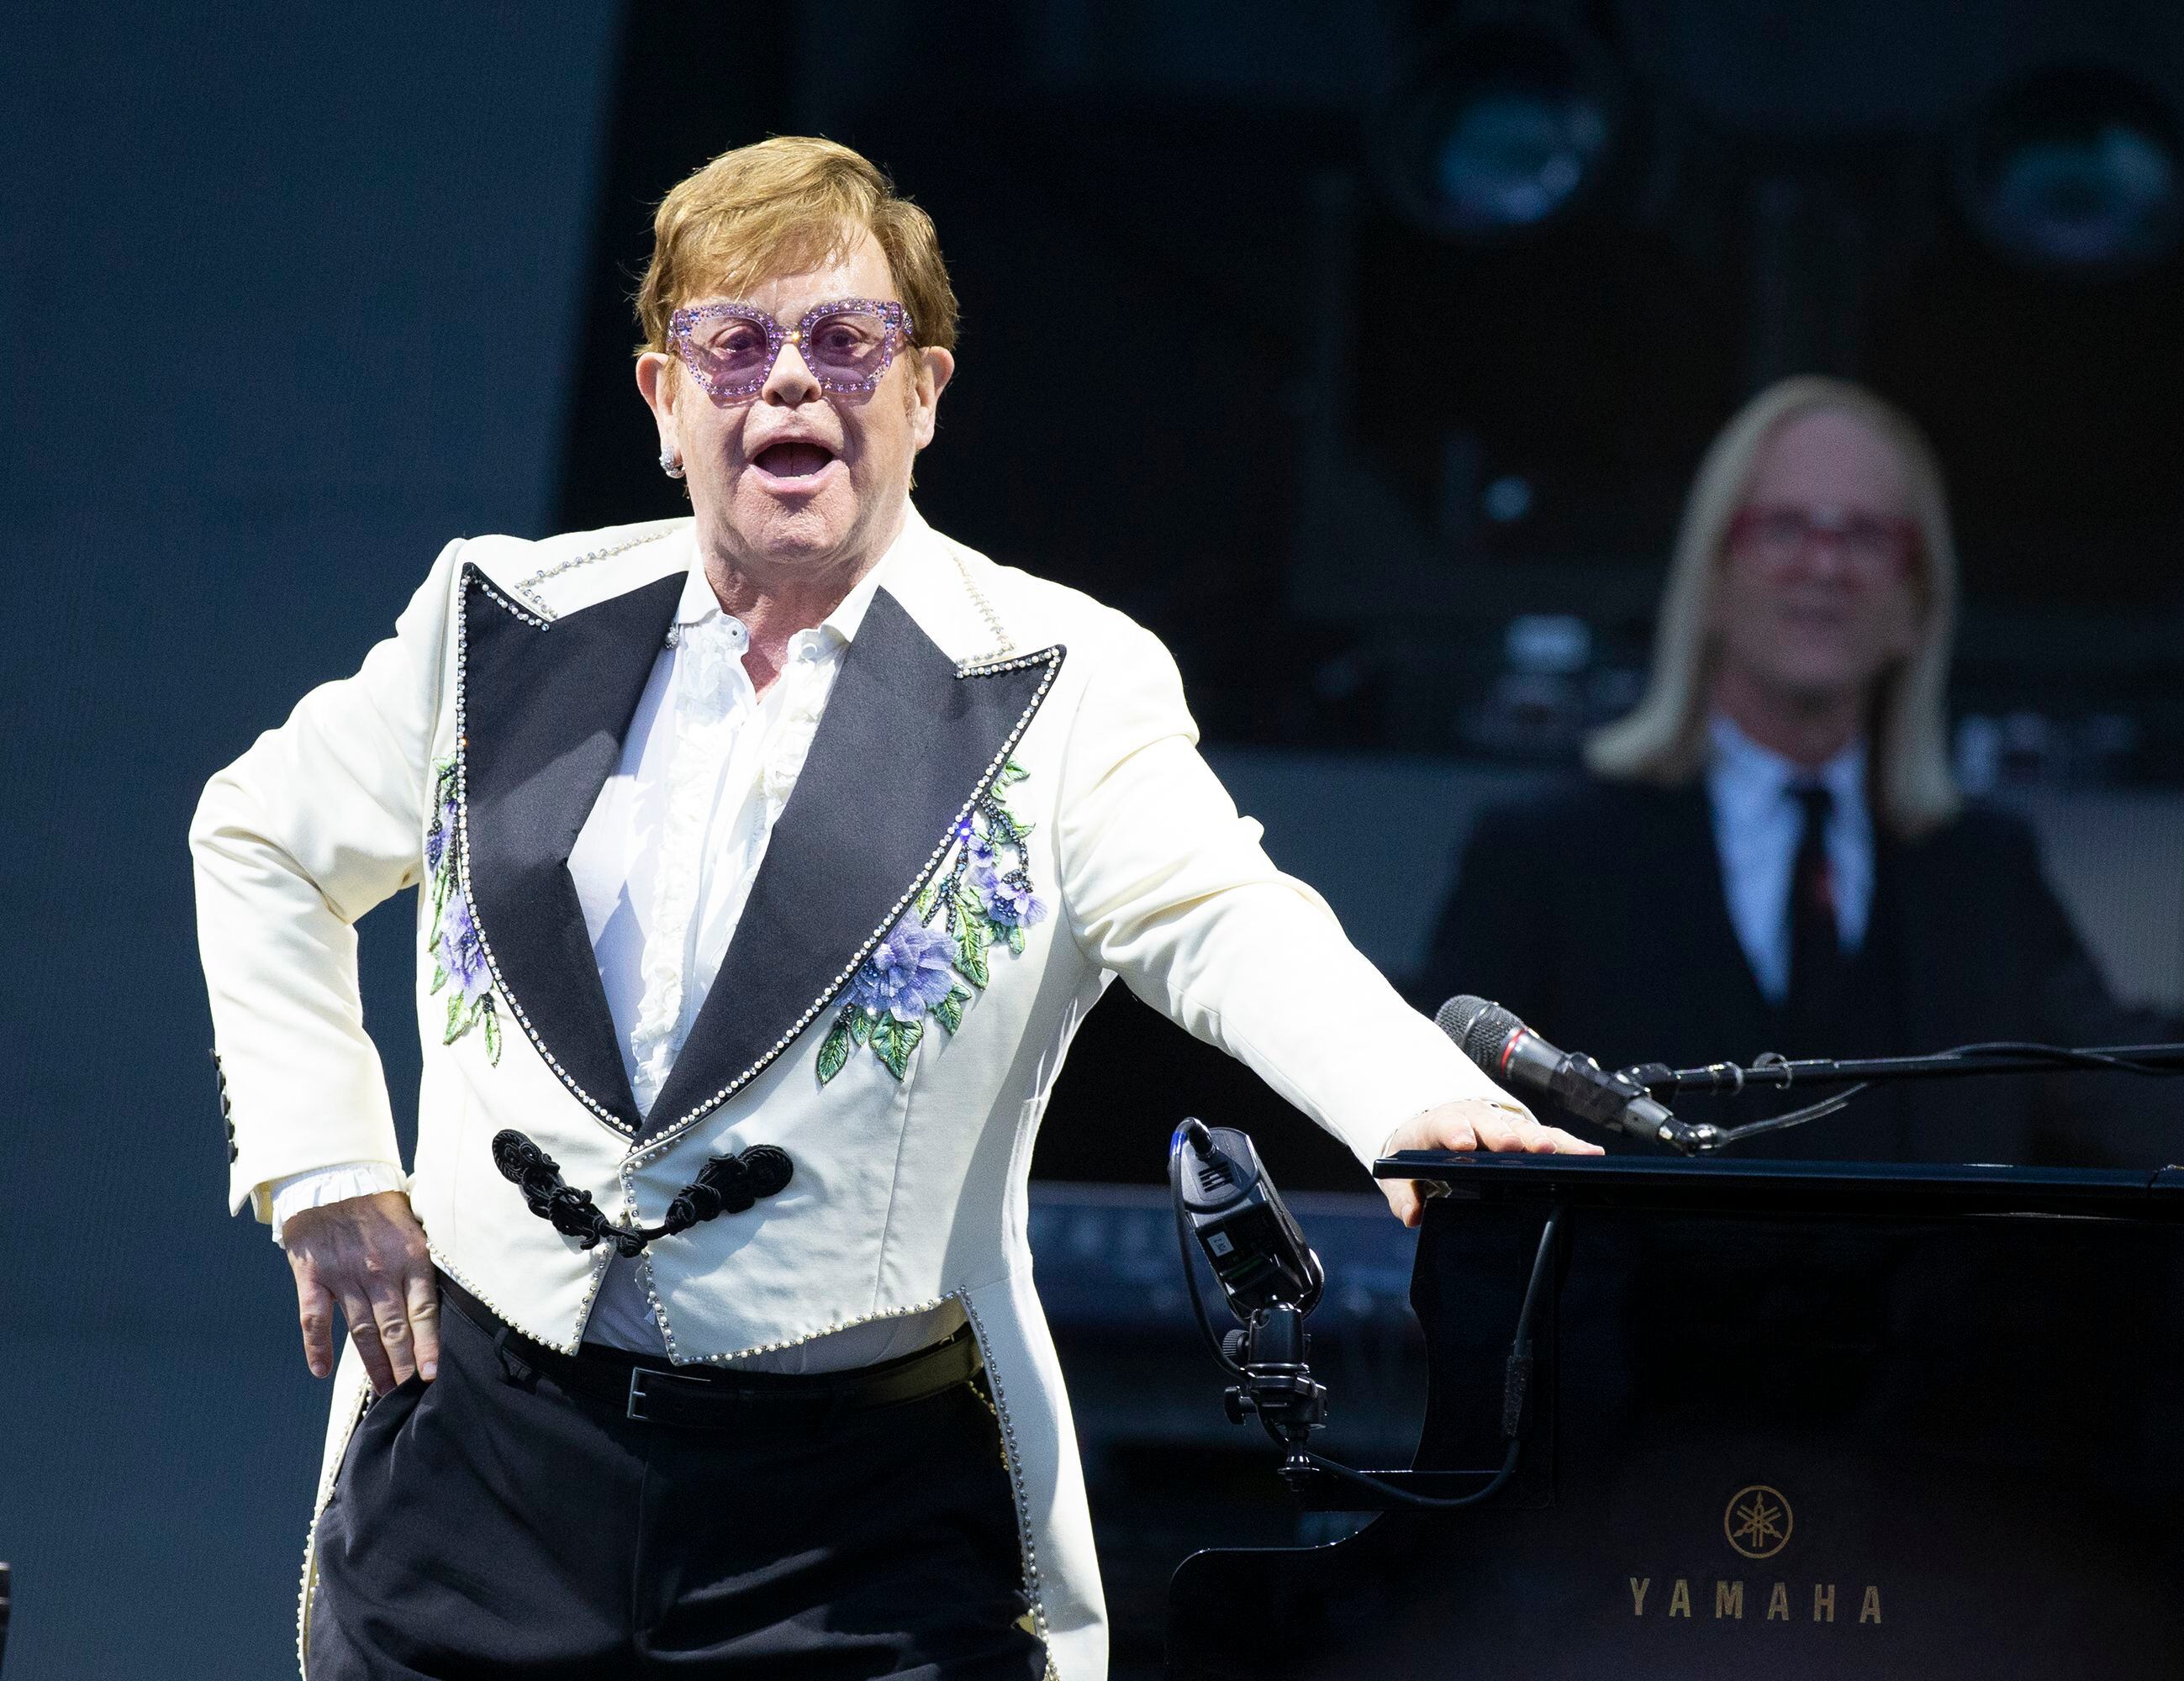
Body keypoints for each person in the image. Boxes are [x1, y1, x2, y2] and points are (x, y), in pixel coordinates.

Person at [191, 136, 1596, 1681]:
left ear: (923, 393)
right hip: (481, 1486)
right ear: (664, 401)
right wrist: (325, 1167)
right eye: (735, 343)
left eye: (846, 339)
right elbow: (259, 837)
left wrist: (1418, 1105)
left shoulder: (1054, 678)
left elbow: (1221, 917)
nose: (790, 381)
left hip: (851, 1533)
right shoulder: (501, 620)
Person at [1422, 376, 2184, 1172]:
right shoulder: (1546, 853)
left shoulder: (1984, 874)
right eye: (1785, 527)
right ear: (1713, 575)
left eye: (1866, 535)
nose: (1825, 565)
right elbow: (1435, 1132)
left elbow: (2136, 1101)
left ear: (1917, 600)